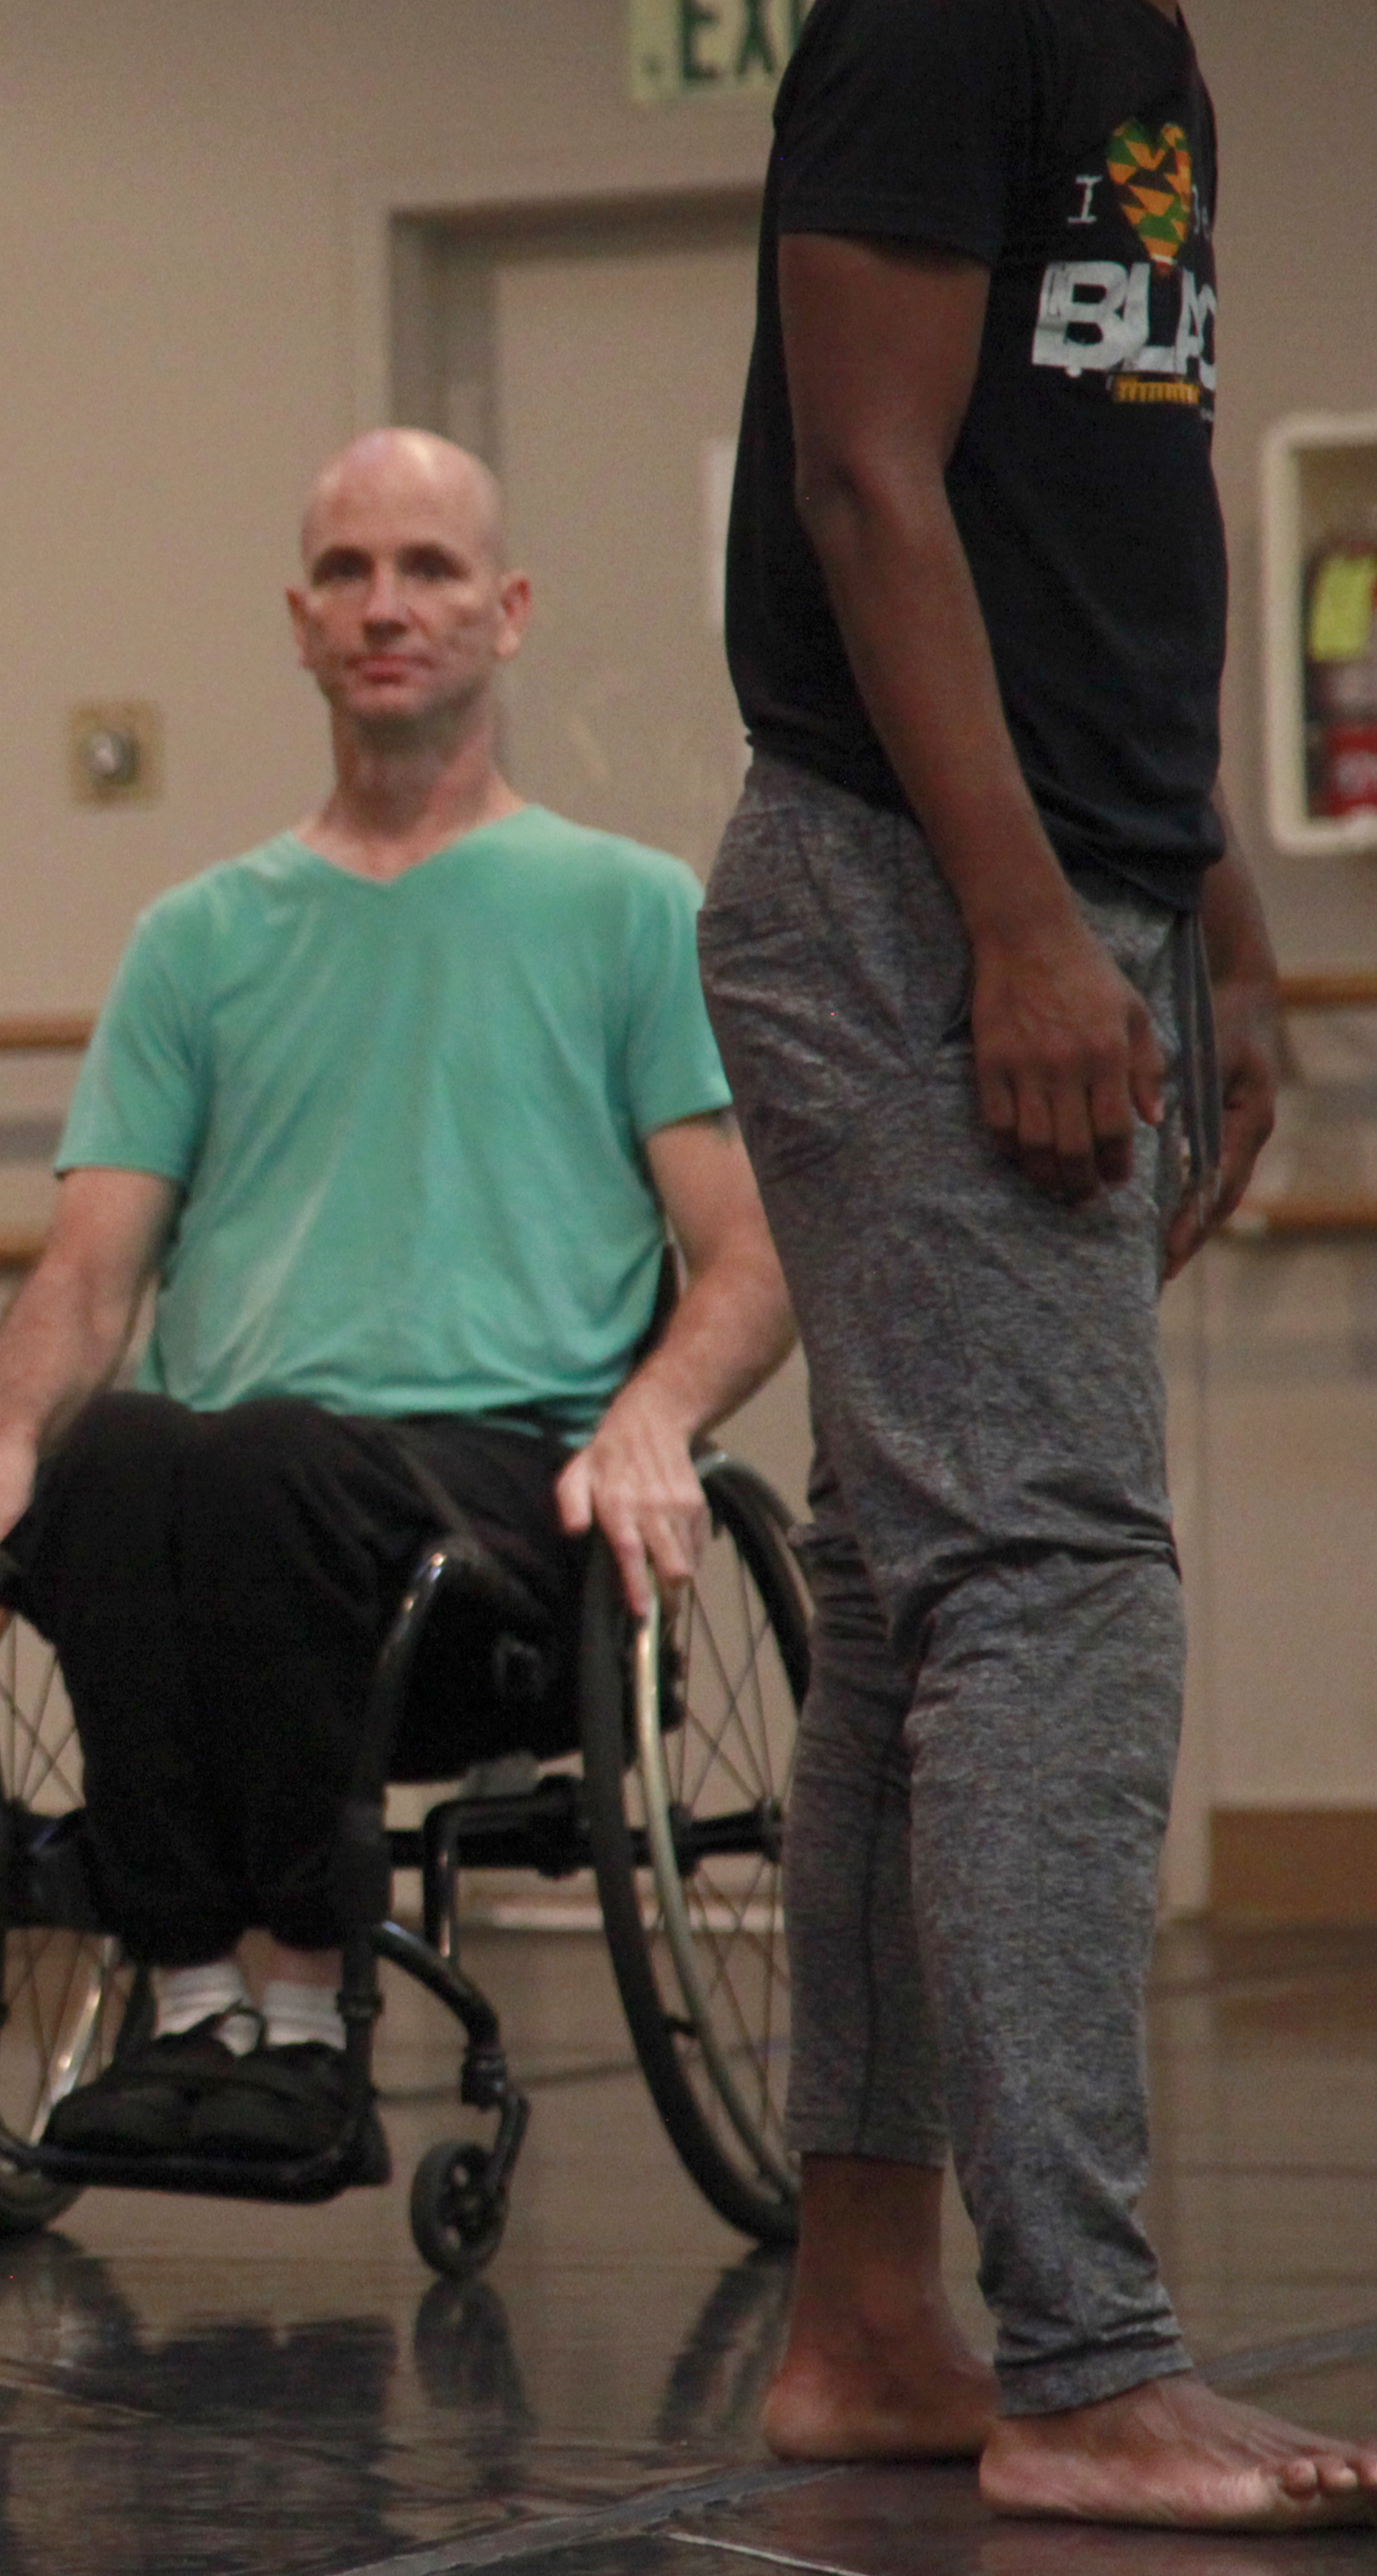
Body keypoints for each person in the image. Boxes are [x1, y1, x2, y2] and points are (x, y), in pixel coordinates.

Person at [706, 0, 1373, 2532]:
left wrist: (1214, 907)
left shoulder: (1140, 37)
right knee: (1061, 1583)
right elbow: (864, 479)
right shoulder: (944, 8)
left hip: (1076, 870)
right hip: (911, 880)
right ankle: (1085, 2366)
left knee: (914, 1604)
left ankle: (871, 2327)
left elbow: (1096, 520)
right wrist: (1015, 925)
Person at [0, 430, 795, 2168]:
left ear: (506, 612)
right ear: (301, 622)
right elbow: (89, 1271)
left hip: (500, 1499)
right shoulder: (198, 937)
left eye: (430, 570)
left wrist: (659, 1416)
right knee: (112, 1452)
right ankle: (189, 2005)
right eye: (350, 574)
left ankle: (305, 2015)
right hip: (227, 1491)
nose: (388, 607)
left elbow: (751, 1253)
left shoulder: (625, 910)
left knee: (255, 1458)